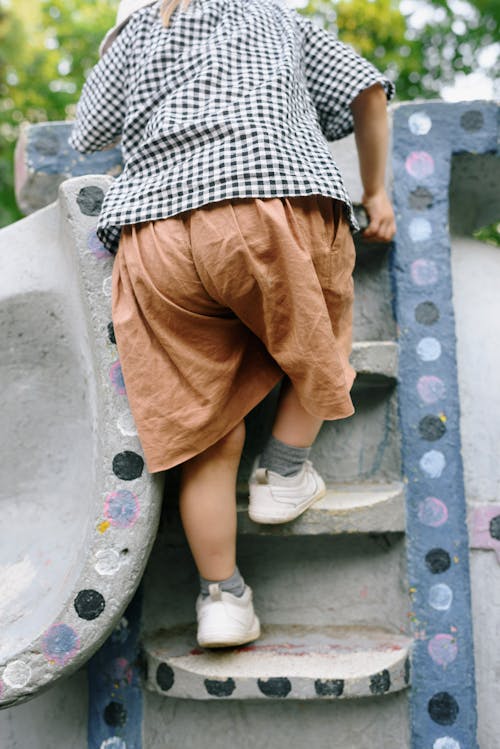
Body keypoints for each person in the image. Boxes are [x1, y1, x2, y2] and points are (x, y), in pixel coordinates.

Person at [70, 0, 396, 649]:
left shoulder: (136, 32)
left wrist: (127, 31)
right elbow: (365, 88)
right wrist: (376, 190)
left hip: (155, 236)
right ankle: (283, 470)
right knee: (320, 329)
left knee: (205, 429)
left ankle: (222, 598)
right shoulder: (276, 17)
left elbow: (89, 130)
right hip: (268, 200)